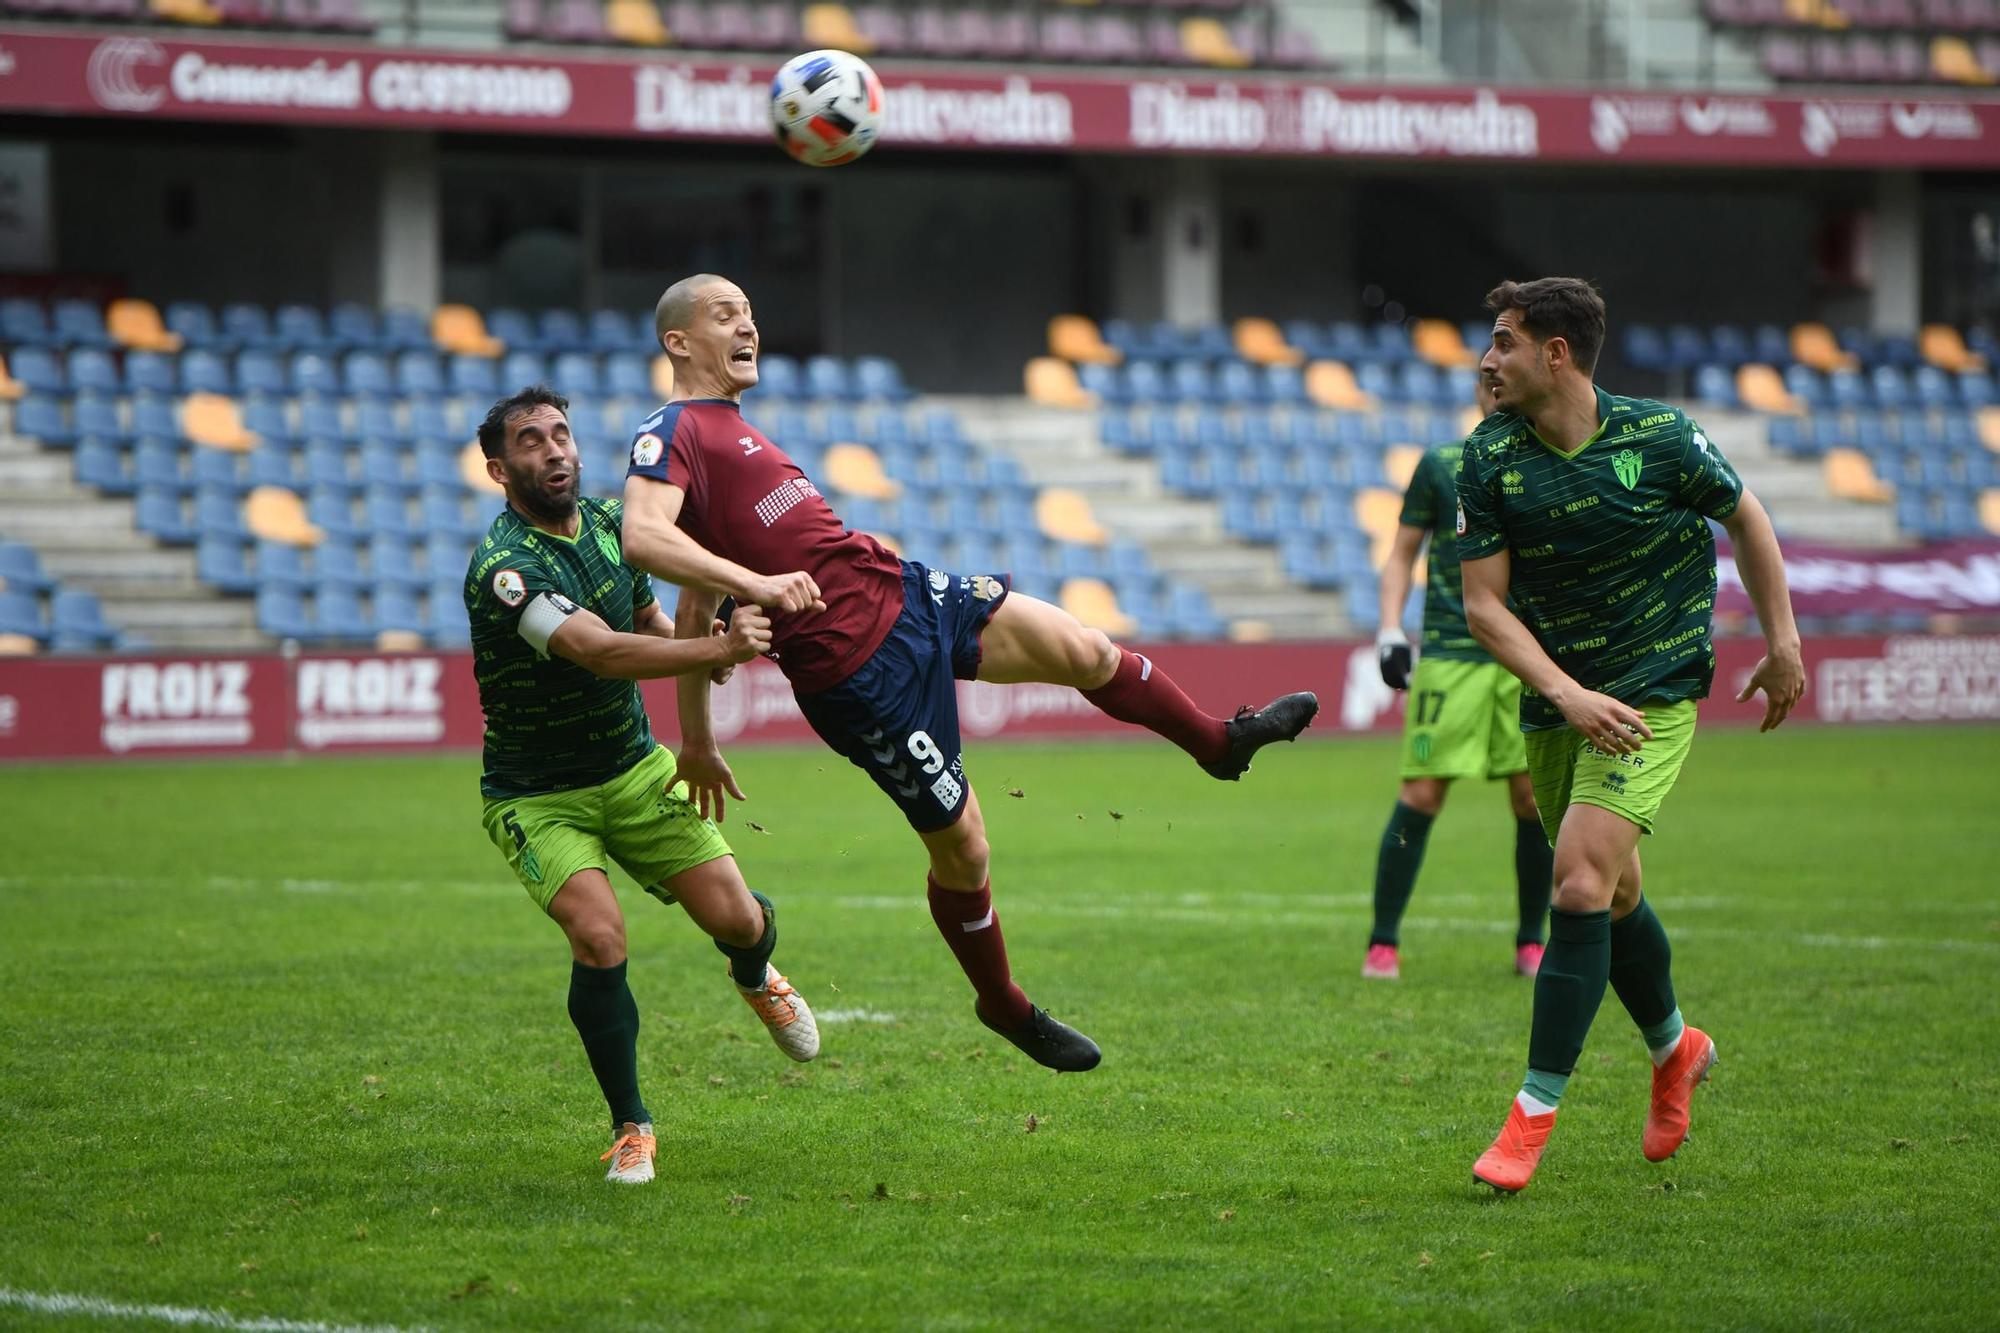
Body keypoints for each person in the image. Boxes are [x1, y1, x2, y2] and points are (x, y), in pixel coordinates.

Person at [619, 274, 1320, 1073]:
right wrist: (759, 590)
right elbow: (646, 539)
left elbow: (694, 588)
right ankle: (1003, 1001)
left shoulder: (731, 430)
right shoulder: (670, 428)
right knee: (967, 853)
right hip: (861, 678)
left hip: (907, 594)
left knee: (1085, 649)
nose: (748, 325)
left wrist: (699, 739)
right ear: (679, 342)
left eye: (750, 311)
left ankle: (1219, 743)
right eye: (724, 315)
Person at [1454, 278, 1803, 1194]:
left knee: (1575, 880)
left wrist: (1783, 642)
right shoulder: (1489, 458)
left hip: (1655, 690)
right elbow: (1483, 605)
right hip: (1561, 702)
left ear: (1555, 353)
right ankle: (1675, 1048)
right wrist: (1566, 694)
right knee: (1611, 895)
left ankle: (1529, 1119)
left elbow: (1747, 515)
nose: (1486, 361)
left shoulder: (1660, 438)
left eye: (1503, 342)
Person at [465, 385, 821, 1186]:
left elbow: (651, 628)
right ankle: (632, 1126)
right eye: (530, 441)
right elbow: (600, 650)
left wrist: (708, 645)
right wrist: (717, 649)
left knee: (739, 919)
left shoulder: (605, 528)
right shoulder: (504, 569)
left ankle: (754, 971)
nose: (554, 449)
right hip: (537, 796)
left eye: (561, 433)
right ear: (499, 467)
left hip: (633, 768)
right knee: (600, 938)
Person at [1366, 379, 1552, 981]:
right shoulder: (1443, 464)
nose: (1497, 389)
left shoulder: (1555, 462)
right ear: (1477, 391)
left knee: (1532, 798)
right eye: (1487, 380)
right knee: (1422, 794)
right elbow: (1401, 555)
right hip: (1451, 650)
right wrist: (1391, 628)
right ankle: (1383, 942)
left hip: (1528, 655)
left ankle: (1532, 942)